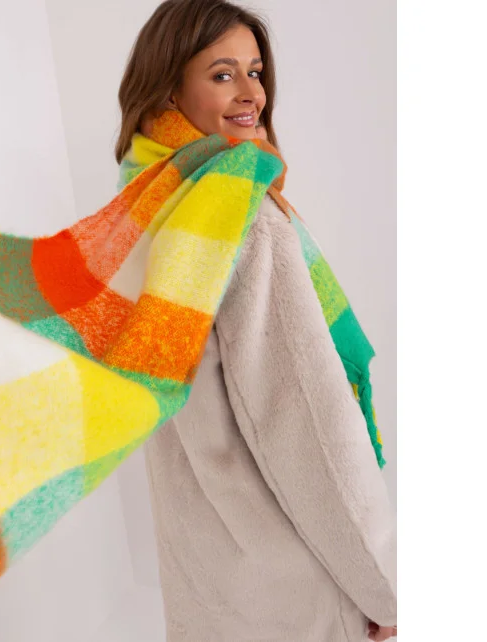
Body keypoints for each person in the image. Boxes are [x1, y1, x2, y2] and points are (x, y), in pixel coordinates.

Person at [115, 1, 398, 641]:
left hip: (207, 581)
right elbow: (310, 430)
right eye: (223, 75)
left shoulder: (141, 210)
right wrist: (385, 587)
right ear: (168, 88)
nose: (252, 94)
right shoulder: (239, 219)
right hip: (302, 593)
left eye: (255, 71)